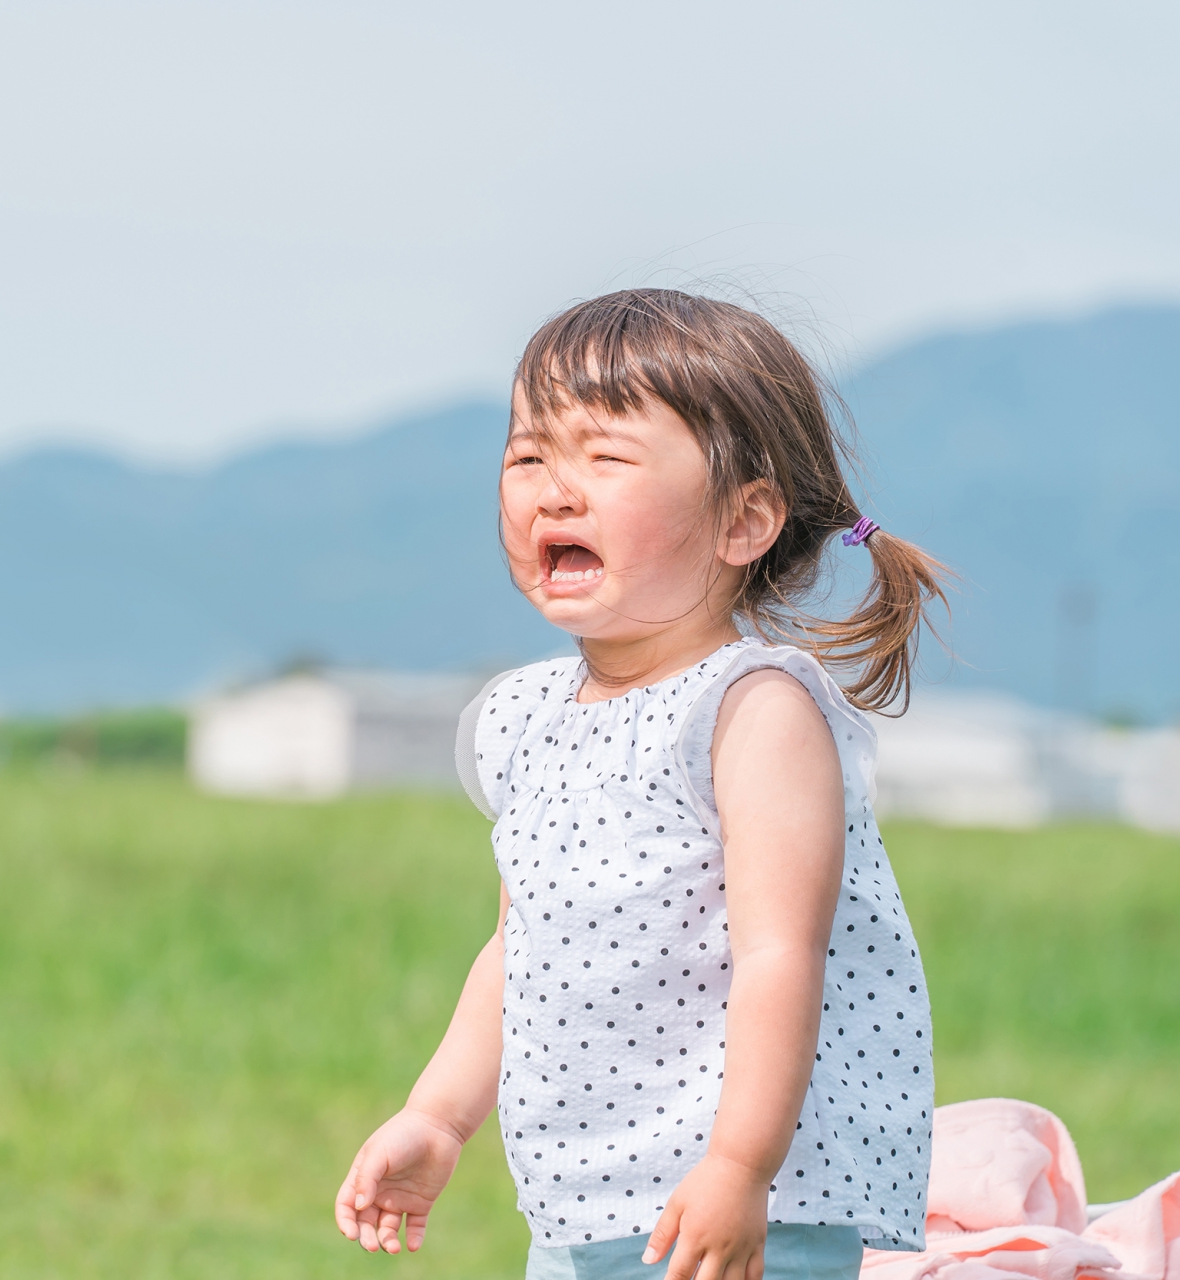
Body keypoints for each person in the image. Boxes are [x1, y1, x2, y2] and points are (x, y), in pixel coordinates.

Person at [333, 289, 945, 1280]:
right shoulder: (528, 717)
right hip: (579, 1201)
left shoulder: (752, 708)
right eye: (528, 455)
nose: (553, 491)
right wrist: (436, 1114)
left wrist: (741, 1164)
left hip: (743, 1198)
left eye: (606, 459)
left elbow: (782, 953)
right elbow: (515, 945)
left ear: (744, 520)